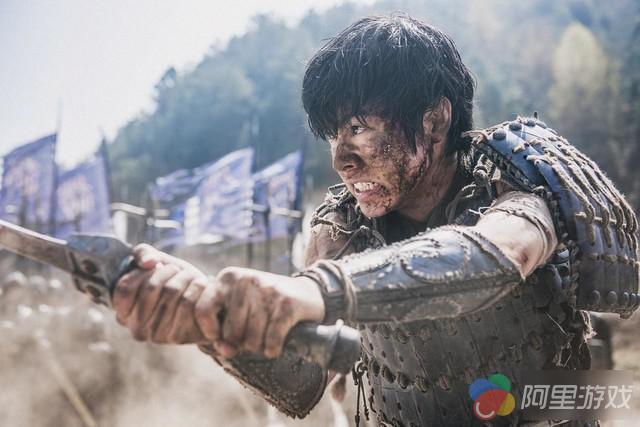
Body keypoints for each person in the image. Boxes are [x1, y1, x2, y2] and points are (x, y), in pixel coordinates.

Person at [112, 15, 639, 426]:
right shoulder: (338, 230)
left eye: (359, 128)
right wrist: (211, 323)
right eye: (333, 137)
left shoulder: (516, 183)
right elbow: (302, 383)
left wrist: (316, 290)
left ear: (434, 121)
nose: (342, 161)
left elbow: (496, 256)